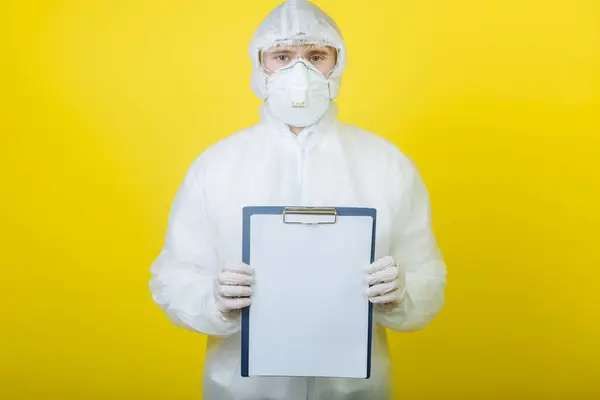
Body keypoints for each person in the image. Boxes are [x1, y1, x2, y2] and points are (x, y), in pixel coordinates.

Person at [149, 0, 447, 398]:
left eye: (316, 56)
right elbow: (172, 277)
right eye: (283, 56)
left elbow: (429, 276)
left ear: (337, 64)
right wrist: (215, 301)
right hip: (244, 390)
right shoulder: (217, 166)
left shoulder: (387, 165)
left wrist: (401, 296)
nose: (299, 71)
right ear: (260, 66)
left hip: (352, 389)